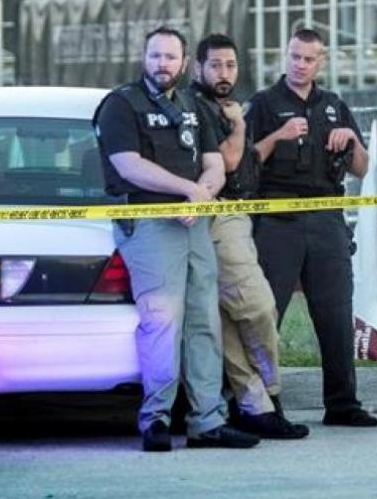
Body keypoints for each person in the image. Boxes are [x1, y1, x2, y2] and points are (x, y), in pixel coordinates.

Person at [93, 26, 259, 452]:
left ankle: (207, 422)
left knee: (205, 321)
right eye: (155, 56)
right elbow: (128, 166)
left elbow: (215, 163)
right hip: (150, 224)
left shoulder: (190, 105)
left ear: (184, 63)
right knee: (162, 323)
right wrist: (185, 190)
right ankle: (156, 420)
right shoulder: (120, 104)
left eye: (170, 57)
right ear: (143, 58)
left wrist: (202, 192)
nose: (162, 64)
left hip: (194, 223)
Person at [245, 28, 377, 428]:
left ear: (322, 61)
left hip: (326, 219)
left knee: (336, 314)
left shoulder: (334, 105)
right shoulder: (264, 104)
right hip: (276, 221)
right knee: (266, 315)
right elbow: (245, 162)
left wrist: (351, 139)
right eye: (294, 56)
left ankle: (342, 404)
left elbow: (362, 167)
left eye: (309, 58)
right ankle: (264, 403)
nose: (300, 65)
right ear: (285, 56)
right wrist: (279, 135)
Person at [187, 33, 309, 439]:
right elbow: (229, 159)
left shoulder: (224, 106)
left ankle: (252, 404)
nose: (224, 73)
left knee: (229, 321)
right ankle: (271, 393)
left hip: (237, 216)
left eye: (231, 65)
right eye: (216, 65)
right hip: (219, 216)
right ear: (197, 67)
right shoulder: (199, 108)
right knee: (257, 307)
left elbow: (249, 159)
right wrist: (239, 124)